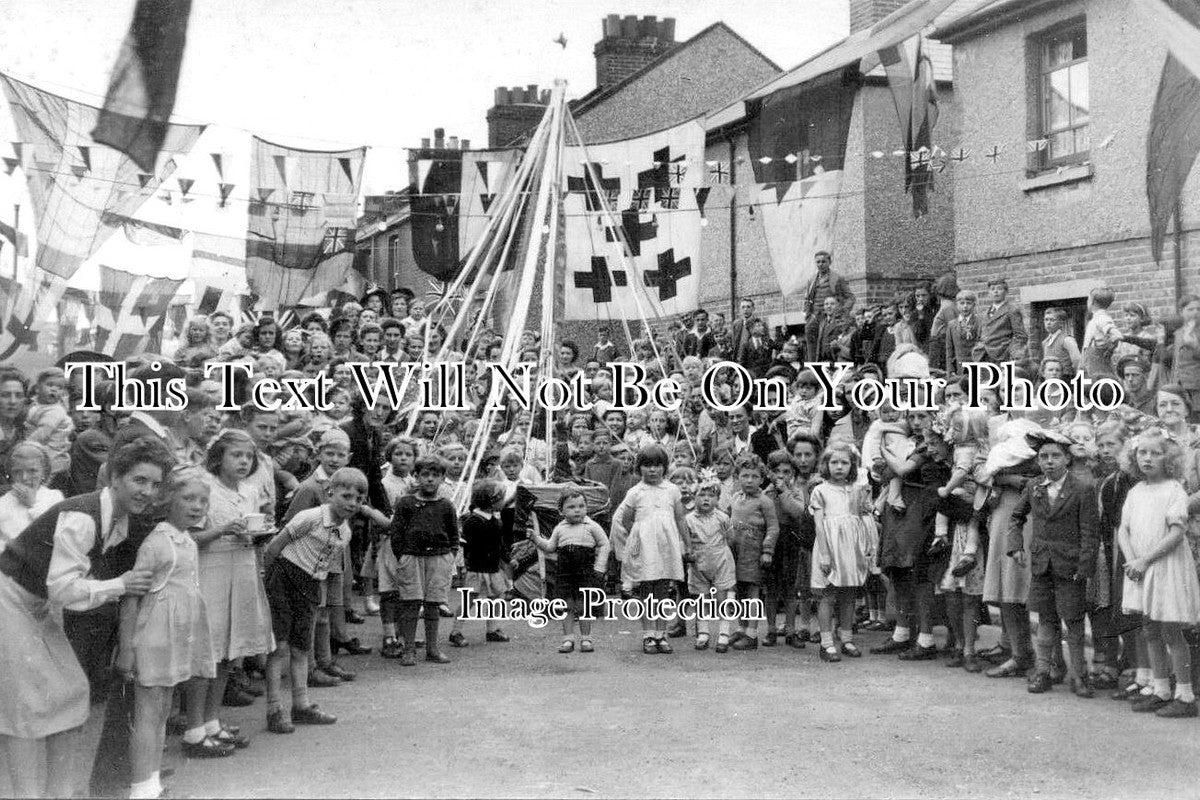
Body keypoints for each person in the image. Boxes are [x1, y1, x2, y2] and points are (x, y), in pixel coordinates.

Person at [0, 437, 172, 799]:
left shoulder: (119, 520)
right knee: (24, 705)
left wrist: (113, 588)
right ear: (115, 478)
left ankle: (62, 792)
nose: (147, 491)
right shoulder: (82, 515)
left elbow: (66, 591)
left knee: (72, 692)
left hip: (36, 604)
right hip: (7, 597)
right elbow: (64, 590)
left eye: (155, 484)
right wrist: (119, 584)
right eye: (139, 480)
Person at [119, 466, 220, 799]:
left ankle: (151, 783)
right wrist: (127, 648)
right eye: (188, 498)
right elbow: (132, 598)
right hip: (154, 638)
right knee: (149, 711)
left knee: (162, 709)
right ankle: (140, 788)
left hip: (175, 637)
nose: (196, 506)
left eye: (202, 501)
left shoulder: (186, 539)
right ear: (167, 500)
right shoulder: (158, 543)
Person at [262, 468, 367, 733]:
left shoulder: (345, 533)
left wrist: (316, 595)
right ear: (330, 492)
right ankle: (274, 709)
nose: (352, 503)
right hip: (283, 577)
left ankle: (301, 705)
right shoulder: (309, 517)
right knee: (280, 647)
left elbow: (323, 567)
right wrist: (264, 584)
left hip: (309, 586)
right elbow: (274, 547)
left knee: (301, 648)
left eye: (358, 499)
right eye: (346, 496)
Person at [1006, 430, 1097, 697]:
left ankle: (1080, 675)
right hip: (1042, 564)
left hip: (1071, 567)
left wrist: (1085, 567)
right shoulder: (1034, 487)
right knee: (1046, 619)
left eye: (1055, 455)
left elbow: (1090, 533)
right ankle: (1043, 671)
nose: (1049, 461)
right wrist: (1015, 546)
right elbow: (1016, 518)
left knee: (1074, 622)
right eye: (1043, 456)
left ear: (1067, 459)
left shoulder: (1082, 489)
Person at [1116, 428, 1200, 717]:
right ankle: (1161, 688)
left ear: (1170, 458)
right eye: (1142, 452)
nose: (1148, 458)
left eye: (1156, 452)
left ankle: (1186, 695)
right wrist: (1132, 561)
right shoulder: (1136, 491)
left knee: (1171, 630)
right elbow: (1123, 530)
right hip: (1139, 568)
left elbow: (1177, 532)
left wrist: (1146, 560)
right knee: (1149, 628)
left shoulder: (1174, 489)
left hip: (1165, 566)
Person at [609, 444, 690, 654]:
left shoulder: (672, 489)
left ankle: (661, 635)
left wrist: (687, 543)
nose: (652, 470)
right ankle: (648, 635)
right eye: (647, 466)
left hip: (665, 548)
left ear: (664, 467)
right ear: (639, 468)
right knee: (647, 593)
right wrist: (638, 536)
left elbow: (680, 518)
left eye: (657, 465)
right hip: (645, 550)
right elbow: (626, 519)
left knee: (663, 592)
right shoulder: (635, 491)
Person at [388, 455, 459, 666]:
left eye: (435, 475)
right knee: (411, 603)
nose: (430, 480)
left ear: (442, 479)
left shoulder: (446, 505)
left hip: (439, 558)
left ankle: (432, 649)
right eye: (425, 475)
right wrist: (403, 557)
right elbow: (397, 534)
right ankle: (408, 649)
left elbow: (453, 534)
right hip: (412, 558)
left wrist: (449, 555)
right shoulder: (406, 503)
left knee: (433, 604)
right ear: (416, 477)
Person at [809, 441, 876, 662]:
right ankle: (826, 642)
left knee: (848, 594)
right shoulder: (820, 491)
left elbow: (862, 519)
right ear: (826, 465)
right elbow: (819, 525)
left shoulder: (856, 490)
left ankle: (846, 638)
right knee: (827, 595)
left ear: (852, 465)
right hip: (829, 545)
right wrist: (825, 554)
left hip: (850, 548)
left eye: (844, 463)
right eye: (834, 462)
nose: (839, 467)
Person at [528, 487, 610, 653]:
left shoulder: (591, 526)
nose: (577, 510)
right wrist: (536, 538)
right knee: (566, 606)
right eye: (571, 507)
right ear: (561, 511)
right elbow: (550, 547)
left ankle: (586, 639)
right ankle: (568, 639)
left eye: (581, 506)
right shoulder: (560, 528)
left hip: (586, 573)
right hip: (565, 574)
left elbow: (604, 544)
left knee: (584, 606)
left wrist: (600, 567)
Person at [724, 454, 780, 650]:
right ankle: (742, 628)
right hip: (735, 553)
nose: (749, 480)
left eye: (754, 476)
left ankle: (752, 634)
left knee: (752, 593)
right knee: (739, 592)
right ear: (738, 476)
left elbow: (773, 528)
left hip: (754, 553)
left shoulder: (764, 501)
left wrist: (767, 551)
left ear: (761, 479)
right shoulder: (735, 498)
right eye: (745, 475)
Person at [449, 480, 513, 647]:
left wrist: (508, 559)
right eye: (501, 499)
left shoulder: (495, 522)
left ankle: (492, 630)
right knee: (469, 599)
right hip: (476, 569)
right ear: (491, 501)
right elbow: (465, 545)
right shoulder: (472, 522)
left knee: (496, 598)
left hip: (493, 569)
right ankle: (456, 631)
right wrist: (464, 564)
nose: (503, 502)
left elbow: (500, 544)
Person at [684, 476, 737, 652]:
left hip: (720, 560)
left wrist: (725, 539)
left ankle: (723, 632)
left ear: (717, 499)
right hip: (698, 562)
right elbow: (685, 541)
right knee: (701, 598)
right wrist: (688, 553)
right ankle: (704, 632)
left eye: (711, 495)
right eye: (702, 495)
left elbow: (731, 539)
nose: (706, 499)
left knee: (721, 597)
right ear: (694, 497)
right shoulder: (689, 519)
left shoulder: (722, 517)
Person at [0, 442, 65, 552]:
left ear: (44, 472)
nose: (24, 478)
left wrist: (32, 505)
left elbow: (57, 536)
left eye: (32, 471)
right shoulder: (3, 502)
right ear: (10, 473)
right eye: (17, 472)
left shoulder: (54, 497)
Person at [802, 251, 853, 362]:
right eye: (818, 262)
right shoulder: (811, 280)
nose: (820, 264)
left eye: (823, 261)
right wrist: (807, 315)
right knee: (810, 332)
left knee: (831, 341)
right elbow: (807, 300)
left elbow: (850, 298)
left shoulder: (837, 278)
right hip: (816, 316)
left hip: (832, 316)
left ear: (829, 262)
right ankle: (812, 365)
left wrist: (843, 311)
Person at [972, 278, 1028, 364]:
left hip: (1002, 356)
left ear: (1006, 292)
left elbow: (1021, 336)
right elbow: (980, 336)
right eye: (992, 289)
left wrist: (1010, 351)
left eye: (999, 289)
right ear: (989, 293)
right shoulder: (984, 313)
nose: (996, 291)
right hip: (983, 355)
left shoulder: (1011, 310)